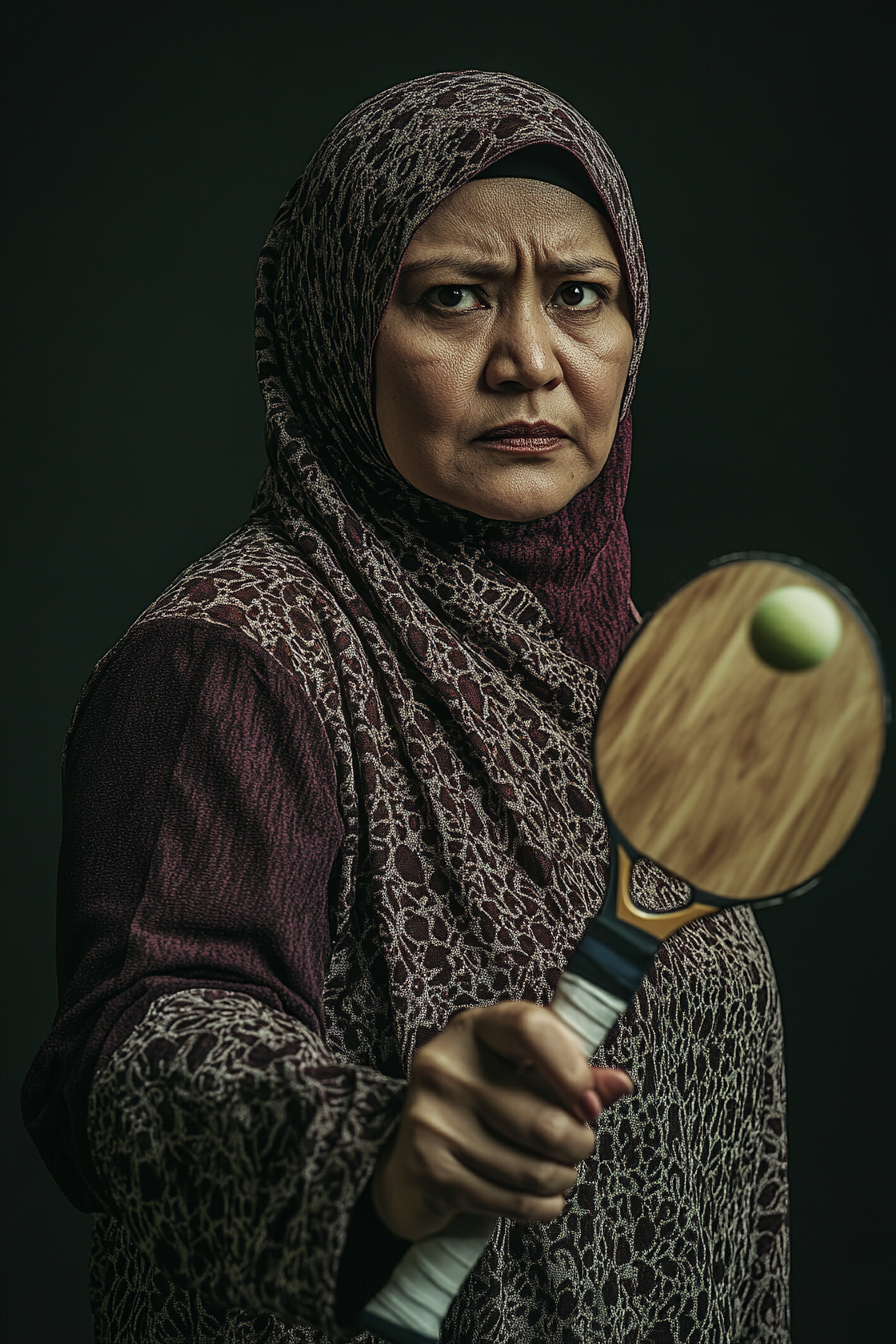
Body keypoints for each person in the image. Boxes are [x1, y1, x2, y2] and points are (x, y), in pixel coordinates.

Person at [22, 70, 789, 1343]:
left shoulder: (648, 675)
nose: (529, 359)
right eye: (452, 298)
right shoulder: (233, 656)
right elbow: (138, 1049)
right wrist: (382, 1147)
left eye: (580, 297)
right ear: (338, 331)